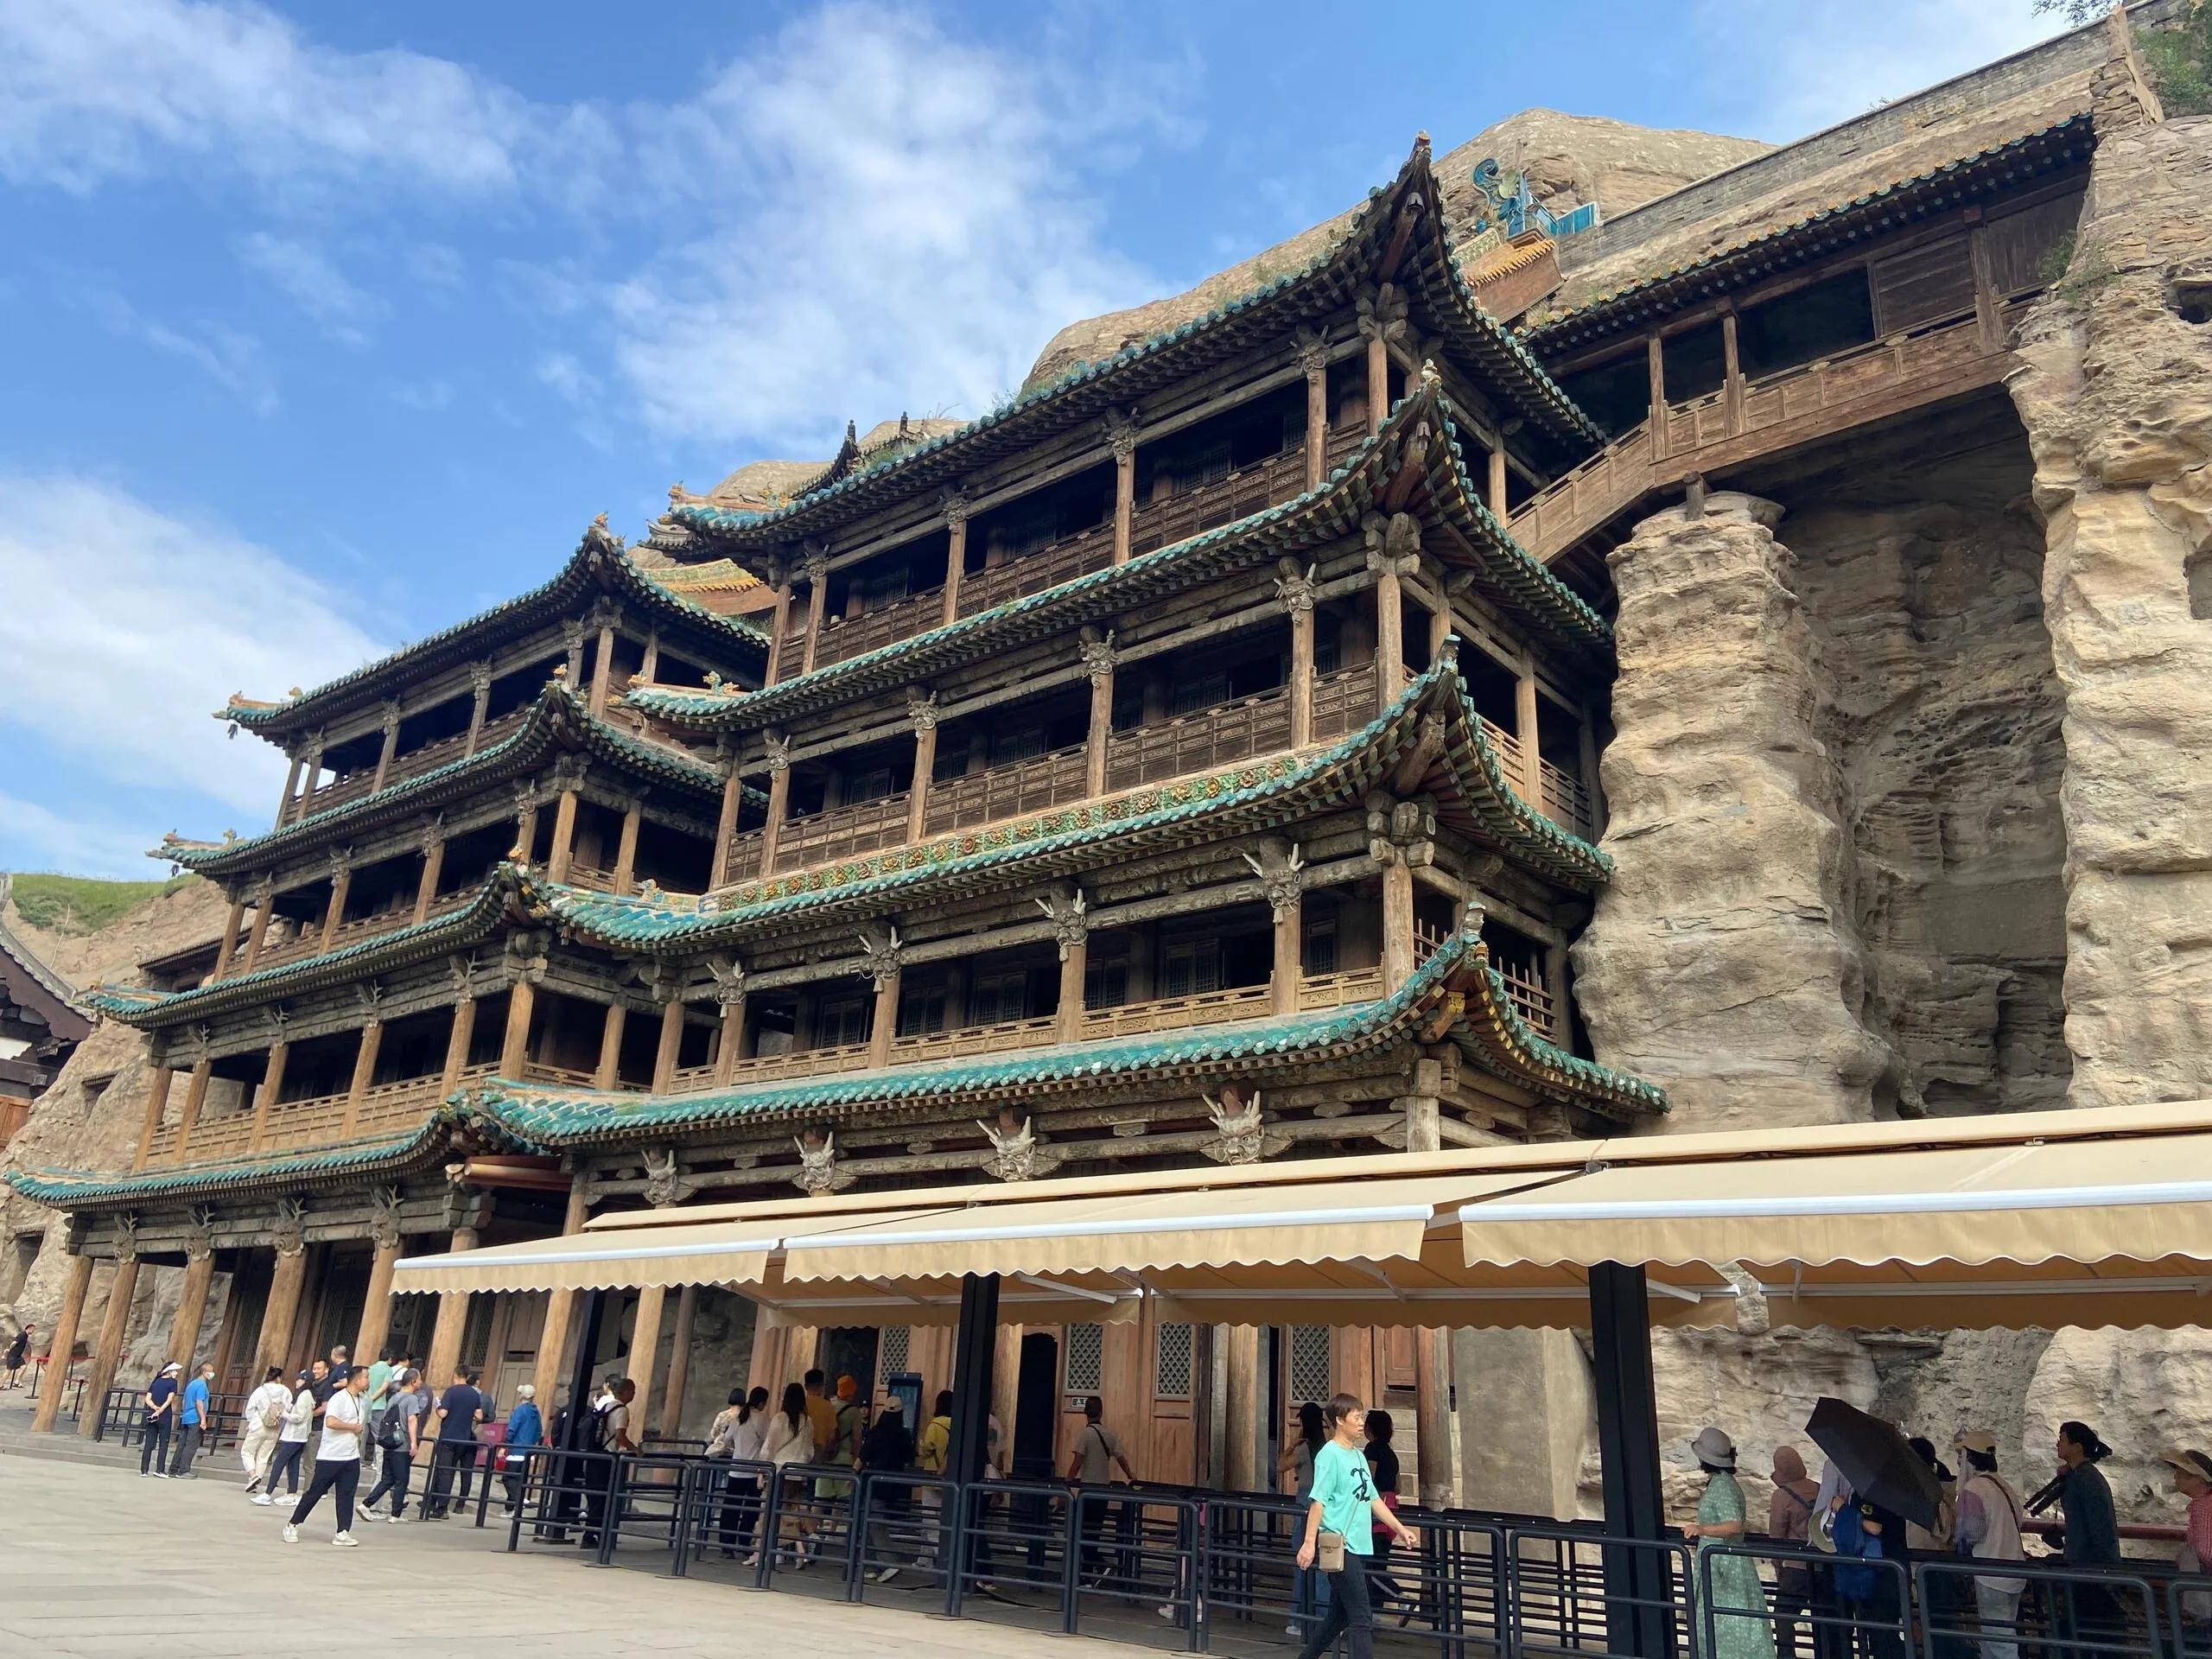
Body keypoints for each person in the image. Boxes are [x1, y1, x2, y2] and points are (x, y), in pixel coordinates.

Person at [1293, 1391, 1414, 1659]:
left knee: (1339, 1616)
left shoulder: (1358, 1456)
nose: (1361, 1423)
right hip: (1340, 1543)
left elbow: (1373, 1499)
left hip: (1359, 1543)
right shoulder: (1329, 1455)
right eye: (1357, 1417)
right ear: (1340, 1420)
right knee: (1361, 1616)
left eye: (1362, 1417)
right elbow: (1318, 1501)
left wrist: (1400, 1527)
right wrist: (1309, 1543)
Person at [1681, 1427, 1777, 1659]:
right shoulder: (1722, 1482)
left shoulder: (1723, 1485)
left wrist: (1702, 1530)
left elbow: (1734, 1525)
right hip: (1720, 1562)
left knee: (1725, 1620)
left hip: (1724, 1564)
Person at [1955, 1430, 2027, 1659]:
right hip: (2015, 1570)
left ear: (1969, 1458)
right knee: (1999, 1635)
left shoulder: (1974, 1488)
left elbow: (1971, 1533)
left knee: (1999, 1640)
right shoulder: (2004, 1485)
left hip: (1991, 1573)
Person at [283, 1362, 366, 1547]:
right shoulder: (339, 1398)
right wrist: (352, 1427)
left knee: (346, 1494)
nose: (368, 1381)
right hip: (331, 1456)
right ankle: (293, 1524)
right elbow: (331, 1422)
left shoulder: (361, 1399)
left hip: (351, 1456)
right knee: (315, 1492)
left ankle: (343, 1531)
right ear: (357, 1380)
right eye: (366, 1378)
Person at [2052, 1421, 2122, 1639]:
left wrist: (2103, 1569)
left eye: (2063, 1440)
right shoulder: (2082, 1476)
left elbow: (2099, 1528)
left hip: (2089, 1567)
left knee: (2088, 1631)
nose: (2058, 1444)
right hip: (2086, 1566)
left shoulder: (2085, 1479)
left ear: (2077, 1447)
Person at [1908, 1437, 1971, 1659]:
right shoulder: (1941, 1491)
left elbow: (1922, 1536)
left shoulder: (1924, 1497)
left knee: (1934, 1631)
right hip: (1935, 1569)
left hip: (1923, 1572)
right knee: (1939, 1629)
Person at [1068, 1394, 1136, 1589]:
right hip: (1104, 1490)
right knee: (1094, 1532)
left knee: (1082, 1533)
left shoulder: (1085, 1435)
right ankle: (1089, 1575)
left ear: (1085, 1413)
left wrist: (1067, 1483)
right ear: (1101, 1412)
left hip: (1087, 1489)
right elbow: (1122, 1459)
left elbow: (1077, 1462)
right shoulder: (1109, 1435)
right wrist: (1131, 1475)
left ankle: (1097, 1566)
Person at [1280, 1401, 1331, 1637]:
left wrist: (1291, 1444)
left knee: (1302, 1565)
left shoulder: (1303, 1449)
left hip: (1305, 1504)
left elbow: (1280, 1466)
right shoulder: (1328, 1448)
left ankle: (1298, 1618)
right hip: (1327, 1509)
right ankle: (1324, 1617)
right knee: (1324, 1568)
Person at [1766, 1446, 1822, 1659]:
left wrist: (1778, 1566)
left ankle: (1787, 1656)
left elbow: (1777, 1536)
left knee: (1783, 1615)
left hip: (1796, 1566)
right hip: (1823, 1564)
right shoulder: (1819, 1488)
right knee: (1824, 1616)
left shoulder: (1782, 1496)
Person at [859, 1394, 920, 1585]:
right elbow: (910, 1457)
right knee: (872, 1523)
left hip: (872, 1483)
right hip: (893, 1485)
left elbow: (863, 1456)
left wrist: (853, 1476)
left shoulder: (875, 1432)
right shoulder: (903, 1434)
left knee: (874, 1523)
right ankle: (870, 1565)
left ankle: (889, 1562)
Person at [708, 1384, 770, 1558]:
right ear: (762, 1402)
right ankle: (744, 1541)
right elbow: (767, 1441)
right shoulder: (763, 1419)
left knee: (731, 1508)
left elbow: (726, 1438)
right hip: (753, 1470)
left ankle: (726, 1545)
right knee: (751, 1509)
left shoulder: (738, 1418)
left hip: (736, 1469)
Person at [760, 1380, 818, 1567]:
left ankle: (781, 1550)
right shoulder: (807, 1421)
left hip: (779, 1470)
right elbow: (809, 1451)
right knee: (790, 1510)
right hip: (798, 1472)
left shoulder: (779, 1419)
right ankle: (798, 1549)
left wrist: (763, 1468)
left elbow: (769, 1447)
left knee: (773, 1512)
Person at [359, 1368, 427, 1523]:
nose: (421, 1382)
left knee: (388, 1478)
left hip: (389, 1442)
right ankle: (396, 1514)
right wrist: (414, 1443)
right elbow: (412, 1420)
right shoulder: (412, 1399)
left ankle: (366, 1504)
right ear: (413, 1381)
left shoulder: (394, 1397)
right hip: (401, 1443)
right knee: (402, 1480)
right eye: (419, 1379)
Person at [424, 1364, 486, 1519]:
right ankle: (432, 1501)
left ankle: (442, 1508)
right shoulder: (474, 1393)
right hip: (464, 1438)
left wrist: (438, 1408)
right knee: (452, 1470)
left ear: (456, 1375)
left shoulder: (451, 1391)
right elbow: (479, 1416)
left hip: (449, 1436)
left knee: (444, 1471)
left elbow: (443, 1413)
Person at [1363, 1409, 1408, 1618]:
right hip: (1392, 1505)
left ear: (1370, 1428)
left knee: (1370, 1565)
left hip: (1377, 1507)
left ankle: (1401, 1597)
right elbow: (1398, 1487)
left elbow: (1368, 1479)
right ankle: (1376, 1609)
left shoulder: (1372, 1450)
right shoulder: (1391, 1453)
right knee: (1380, 1561)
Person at [2164, 1449, 2212, 1632]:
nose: (2175, 1477)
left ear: (2197, 1478)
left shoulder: (2203, 1507)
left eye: (2180, 1473)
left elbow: (2207, 1553)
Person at [254, 1370, 316, 1503]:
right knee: (293, 1464)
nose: (297, 1381)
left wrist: (283, 1414)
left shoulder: (303, 1395)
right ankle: (291, 1493)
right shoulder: (307, 1395)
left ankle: (268, 1493)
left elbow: (299, 1417)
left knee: (279, 1463)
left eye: (300, 1379)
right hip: (300, 1436)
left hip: (294, 1436)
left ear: (305, 1381)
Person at [240, 1364, 290, 1494]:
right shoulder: (286, 1391)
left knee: (247, 1452)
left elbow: (250, 1408)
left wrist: (250, 1421)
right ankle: (255, 1480)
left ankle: (253, 1475)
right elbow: (288, 1407)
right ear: (278, 1378)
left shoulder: (260, 1391)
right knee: (264, 1456)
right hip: (275, 1426)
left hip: (259, 1424)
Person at [500, 1382, 543, 1516]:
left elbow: (512, 1430)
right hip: (529, 1450)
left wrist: (504, 1446)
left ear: (522, 1396)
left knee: (508, 1479)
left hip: (516, 1449)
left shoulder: (520, 1411)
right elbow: (539, 1432)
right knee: (519, 1480)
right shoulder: (536, 1412)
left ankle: (519, 1501)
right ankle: (510, 1509)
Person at [169, 1359, 216, 1478]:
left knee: (182, 1444)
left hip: (186, 1416)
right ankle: (184, 1470)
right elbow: (199, 1402)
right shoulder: (201, 1385)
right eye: (211, 1371)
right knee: (191, 1445)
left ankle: (174, 1468)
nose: (212, 1374)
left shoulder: (191, 1384)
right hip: (195, 1417)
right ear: (204, 1372)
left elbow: (184, 1400)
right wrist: (203, 1419)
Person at [138, 1361, 181, 1478]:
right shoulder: (173, 1382)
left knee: (149, 1443)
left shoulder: (156, 1381)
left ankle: (144, 1470)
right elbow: (169, 1399)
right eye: (174, 1370)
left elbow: (148, 1399)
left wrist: (154, 1408)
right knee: (163, 1443)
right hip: (164, 1415)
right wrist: (160, 1410)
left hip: (152, 1414)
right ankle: (160, 1469)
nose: (176, 1372)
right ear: (169, 1371)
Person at [4, 1322, 29, 1388]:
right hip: (13, 1355)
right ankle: (1, 1384)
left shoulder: (26, 1335)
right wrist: (9, 1349)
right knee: (8, 1370)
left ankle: (16, 1381)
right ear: (29, 1328)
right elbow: (14, 1343)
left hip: (18, 1356)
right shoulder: (22, 1335)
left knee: (23, 1367)